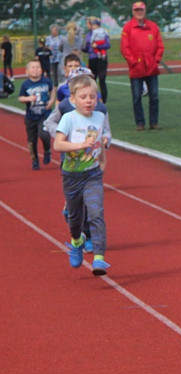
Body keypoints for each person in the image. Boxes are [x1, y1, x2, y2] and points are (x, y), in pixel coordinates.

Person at [44, 66, 112, 256]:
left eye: (92, 96)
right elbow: (53, 131)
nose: (88, 100)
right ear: (73, 96)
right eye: (83, 96)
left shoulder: (100, 112)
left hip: (92, 170)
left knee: (94, 210)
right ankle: (76, 233)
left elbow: (105, 134)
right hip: (71, 168)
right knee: (76, 214)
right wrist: (75, 142)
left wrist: (104, 146)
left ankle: (96, 250)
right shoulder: (66, 111)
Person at [120, 1, 164, 130]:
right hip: (136, 68)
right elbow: (125, 47)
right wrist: (133, 61)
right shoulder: (128, 27)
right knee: (136, 97)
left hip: (151, 67)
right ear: (133, 12)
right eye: (136, 10)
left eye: (141, 10)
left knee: (154, 96)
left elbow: (160, 45)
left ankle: (153, 122)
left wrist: (155, 60)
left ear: (145, 11)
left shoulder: (153, 26)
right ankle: (140, 123)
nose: (139, 12)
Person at [18, 60, 54, 170]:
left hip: (44, 114)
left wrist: (51, 100)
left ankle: (47, 150)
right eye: (32, 67)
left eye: (38, 67)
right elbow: (20, 98)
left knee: (44, 134)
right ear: (27, 71)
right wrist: (28, 99)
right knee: (32, 140)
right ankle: (35, 160)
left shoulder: (46, 81)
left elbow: (52, 90)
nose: (35, 69)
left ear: (41, 70)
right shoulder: (25, 84)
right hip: (31, 116)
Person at [83, 18, 110, 102]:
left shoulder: (102, 32)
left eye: (89, 24)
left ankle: (103, 100)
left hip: (101, 59)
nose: (88, 26)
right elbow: (86, 47)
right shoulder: (88, 35)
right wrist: (83, 48)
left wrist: (98, 46)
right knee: (92, 80)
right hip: (92, 58)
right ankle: (93, 98)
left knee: (102, 79)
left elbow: (108, 44)